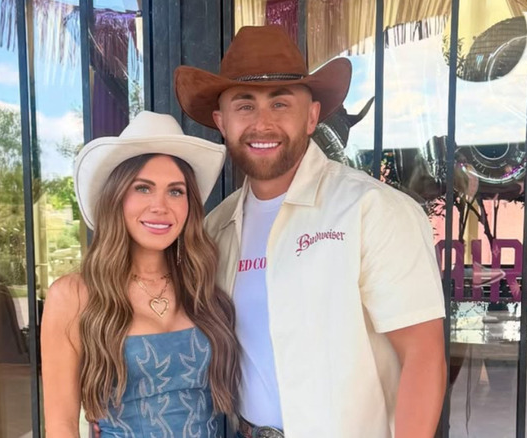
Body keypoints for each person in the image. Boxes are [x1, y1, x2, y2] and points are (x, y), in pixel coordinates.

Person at [174, 26, 447, 437]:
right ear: (221, 121)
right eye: (244, 106)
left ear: (312, 116)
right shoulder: (215, 229)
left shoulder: (372, 211)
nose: (262, 123)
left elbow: (423, 357)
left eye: (280, 103)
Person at [40, 111, 240, 437]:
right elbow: (61, 425)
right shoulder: (74, 295)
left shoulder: (201, 286)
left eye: (175, 191)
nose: (160, 205)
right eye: (143, 188)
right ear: (116, 197)